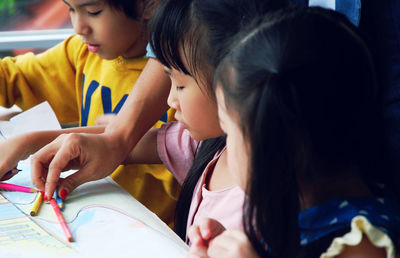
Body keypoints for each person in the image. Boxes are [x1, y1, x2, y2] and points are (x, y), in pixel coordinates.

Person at [188, 7, 400, 258]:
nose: (225, 146)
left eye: (228, 131)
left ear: (269, 147)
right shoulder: (293, 211)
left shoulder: (364, 246)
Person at [0, 0, 179, 226]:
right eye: (71, 9)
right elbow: (14, 77)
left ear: (150, 5)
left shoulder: (181, 83)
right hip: (91, 223)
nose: (78, 27)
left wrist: (29, 142)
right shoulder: (82, 52)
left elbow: (176, 148)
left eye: (94, 12)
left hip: (155, 232)